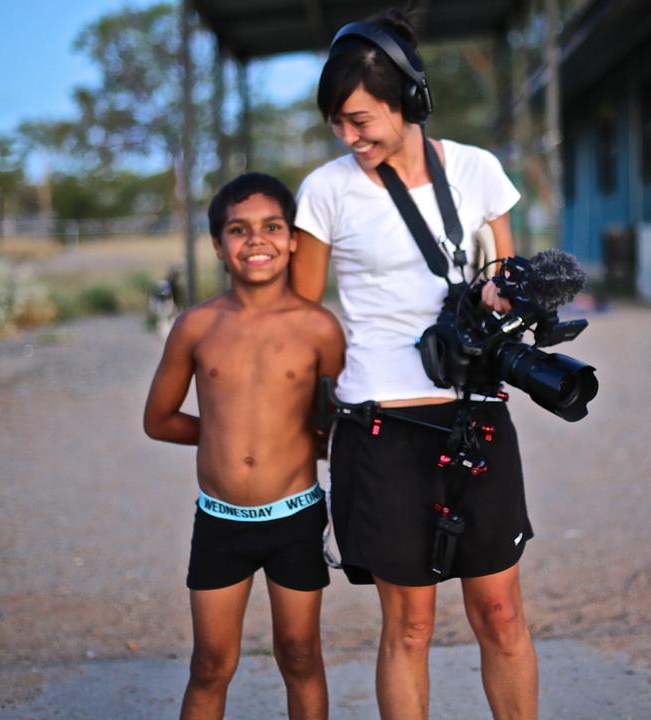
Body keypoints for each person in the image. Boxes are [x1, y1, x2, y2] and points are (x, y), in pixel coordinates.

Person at [290, 10, 538, 720]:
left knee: (500, 614)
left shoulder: (477, 172)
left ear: (410, 101)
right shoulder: (327, 191)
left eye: (361, 119)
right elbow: (304, 319)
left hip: (478, 416)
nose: (349, 137)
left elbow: (505, 281)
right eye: (337, 123)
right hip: (381, 427)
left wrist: (508, 299)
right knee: (410, 627)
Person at [144, 172, 346, 720]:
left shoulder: (319, 329)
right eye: (239, 229)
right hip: (220, 520)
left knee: (301, 655)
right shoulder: (195, 326)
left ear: (294, 239)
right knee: (210, 663)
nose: (256, 240)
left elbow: (335, 429)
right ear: (218, 245)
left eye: (272, 227)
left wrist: (301, 441)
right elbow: (158, 420)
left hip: (297, 516)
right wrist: (220, 435)